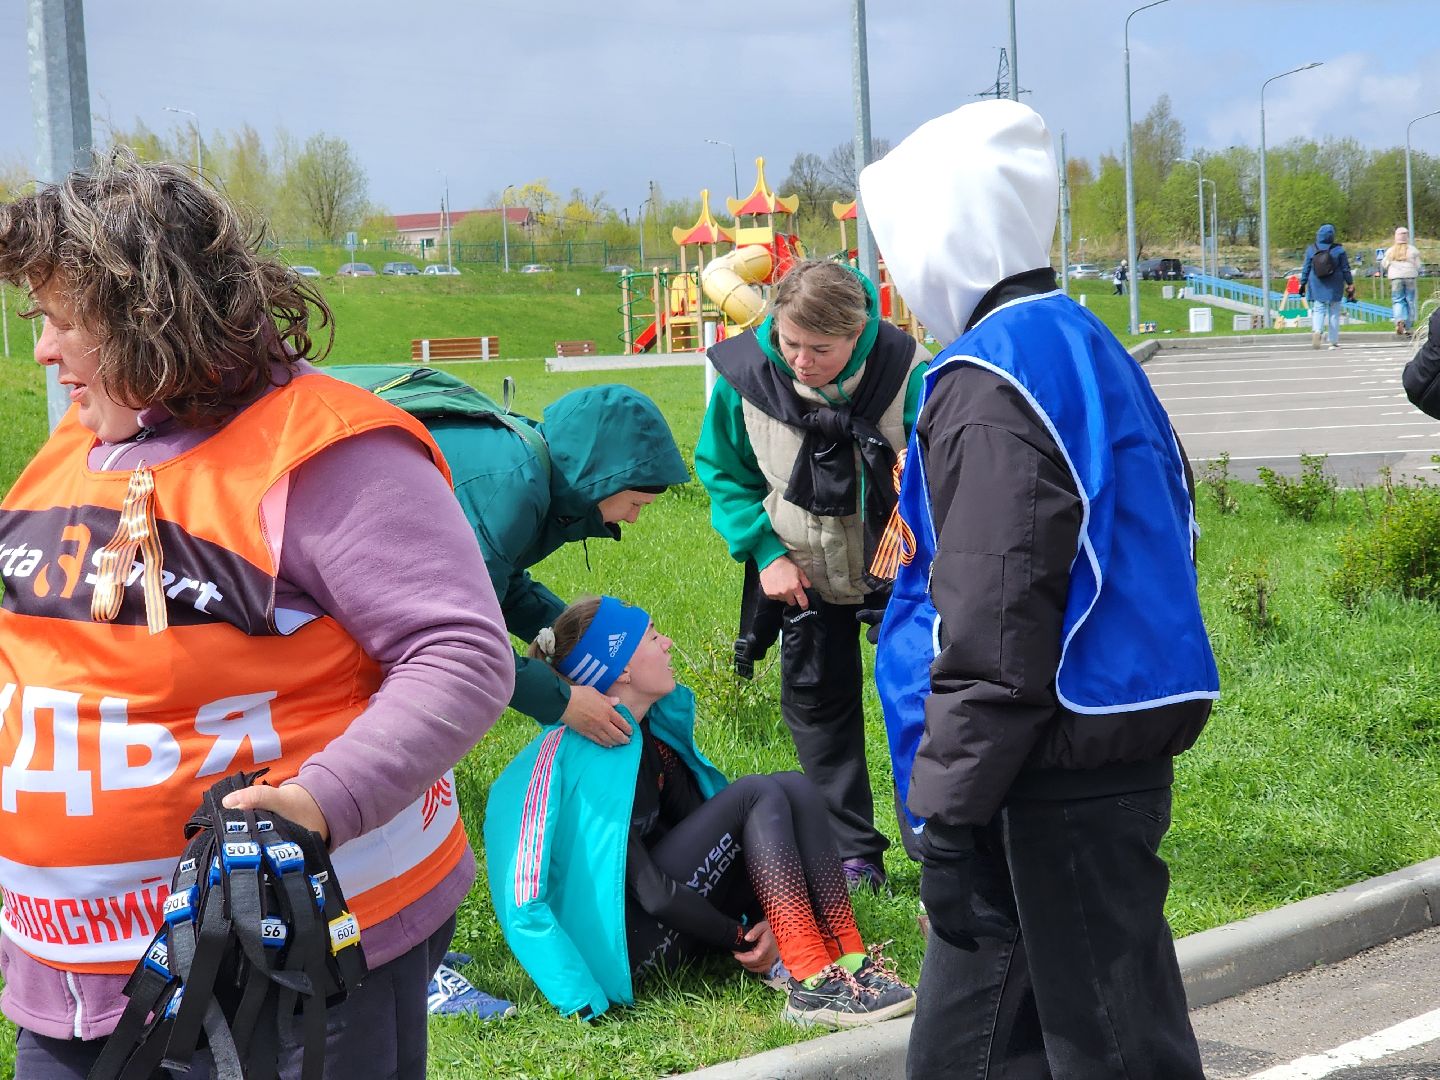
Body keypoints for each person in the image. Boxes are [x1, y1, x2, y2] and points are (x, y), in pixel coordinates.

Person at [0, 152, 515, 1078]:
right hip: (71, 982)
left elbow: (461, 653)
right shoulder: (82, 440)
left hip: (284, 968)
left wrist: (320, 803)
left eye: (59, 323)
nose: (42, 351)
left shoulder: (325, 452)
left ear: (146, 316)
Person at [859, 100, 1219, 1078]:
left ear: (946, 235)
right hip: (1092, 749)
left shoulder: (989, 380)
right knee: (1029, 1048)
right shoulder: (1091, 347)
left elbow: (993, 620)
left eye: (898, 246)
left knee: (1086, 1052)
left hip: (1035, 777)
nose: (894, 277)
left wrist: (945, 813)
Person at [484, 596, 915, 1030]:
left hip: (677, 920)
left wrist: (762, 918)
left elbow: (719, 842)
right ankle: (809, 979)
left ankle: (848, 956)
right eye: (653, 637)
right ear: (623, 669)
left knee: (793, 786)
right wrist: (737, 936)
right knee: (755, 794)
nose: (668, 643)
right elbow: (645, 891)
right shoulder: (584, 763)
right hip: (633, 949)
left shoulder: (650, 736)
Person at [694, 260, 929, 890]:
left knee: (924, 705)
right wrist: (765, 553)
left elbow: (943, 472)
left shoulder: (912, 371)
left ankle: (941, 846)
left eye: (820, 349)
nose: (800, 361)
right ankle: (853, 854)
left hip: (899, 571)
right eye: (789, 342)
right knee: (818, 711)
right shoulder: (742, 376)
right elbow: (724, 473)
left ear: (859, 334)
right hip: (798, 572)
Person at [427, 384, 689, 748]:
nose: (633, 519)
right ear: (603, 480)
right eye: (636, 503)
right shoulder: (512, 494)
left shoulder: (537, 474)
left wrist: (586, 640)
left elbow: (502, 588)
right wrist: (563, 702)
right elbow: (460, 639)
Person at [1299, 223, 1355, 349]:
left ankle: (1317, 331)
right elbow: (1346, 268)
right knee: (1334, 312)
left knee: (1318, 308)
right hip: (1335, 284)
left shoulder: (1311, 249)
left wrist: (1302, 283)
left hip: (1317, 282)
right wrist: (1350, 283)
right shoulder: (1339, 250)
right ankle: (1333, 341)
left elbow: (1306, 268)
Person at [1383, 226, 1424, 337]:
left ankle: (1399, 320)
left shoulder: (1391, 251)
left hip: (1396, 278)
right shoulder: (1413, 250)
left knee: (1398, 300)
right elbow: (1419, 265)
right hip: (1410, 277)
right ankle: (1408, 326)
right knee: (1410, 300)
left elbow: (1384, 264)